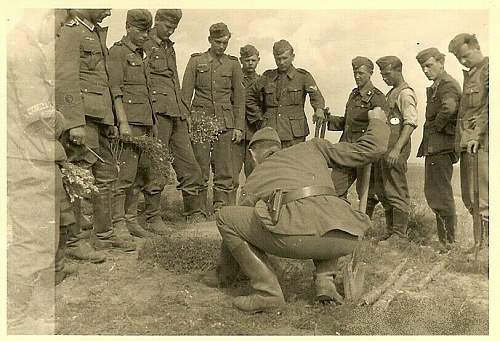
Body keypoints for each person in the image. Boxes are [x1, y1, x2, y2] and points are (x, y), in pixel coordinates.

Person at [213, 107, 390, 313]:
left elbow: (238, 231)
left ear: (253, 156)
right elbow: (371, 149)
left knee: (226, 217)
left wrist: (224, 274)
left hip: (300, 241)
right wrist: (377, 121)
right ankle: (325, 283)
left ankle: (267, 293)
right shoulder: (314, 147)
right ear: (279, 146)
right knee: (323, 208)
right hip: (346, 236)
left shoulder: (256, 175)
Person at [7, 9, 75, 334]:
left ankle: (21, 312)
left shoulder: (17, 43)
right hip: (28, 157)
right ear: (48, 15)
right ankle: (15, 318)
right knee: (32, 241)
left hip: (27, 155)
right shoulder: (24, 50)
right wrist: (62, 121)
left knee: (36, 238)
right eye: (60, 25)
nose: (58, 34)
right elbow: (39, 115)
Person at [55, 9, 135, 254]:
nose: (109, 10)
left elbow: (103, 80)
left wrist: (110, 119)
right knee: (80, 179)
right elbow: (65, 77)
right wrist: (74, 122)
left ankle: (104, 235)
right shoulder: (71, 31)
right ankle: (74, 242)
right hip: (83, 119)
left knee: (107, 175)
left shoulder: (95, 32)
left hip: (100, 119)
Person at [143, 9, 206, 224]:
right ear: (157, 21)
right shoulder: (144, 43)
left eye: (174, 28)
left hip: (176, 113)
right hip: (157, 114)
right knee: (157, 165)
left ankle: (193, 213)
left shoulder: (169, 47)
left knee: (190, 165)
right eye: (167, 27)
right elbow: (142, 81)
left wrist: (184, 111)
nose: (171, 31)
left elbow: (175, 81)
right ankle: (152, 217)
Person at [182, 22, 245, 212]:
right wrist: (187, 121)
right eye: (218, 42)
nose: (222, 46)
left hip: (225, 123)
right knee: (199, 167)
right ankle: (196, 210)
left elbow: (239, 99)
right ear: (210, 40)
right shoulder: (195, 61)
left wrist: (239, 127)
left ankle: (221, 209)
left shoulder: (233, 64)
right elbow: (185, 95)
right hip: (200, 122)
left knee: (224, 169)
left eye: (225, 43)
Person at [108, 9, 158, 238]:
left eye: (148, 31)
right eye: (141, 30)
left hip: (145, 123)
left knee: (139, 176)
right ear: (128, 27)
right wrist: (123, 123)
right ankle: (118, 223)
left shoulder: (141, 55)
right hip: (130, 123)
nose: (145, 35)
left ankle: (131, 220)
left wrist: (153, 124)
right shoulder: (118, 52)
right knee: (124, 176)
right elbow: (115, 91)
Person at [327, 56, 387, 217]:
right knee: (335, 187)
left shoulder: (377, 97)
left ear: (370, 73)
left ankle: (364, 225)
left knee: (365, 194)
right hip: (346, 150)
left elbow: (380, 126)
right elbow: (347, 122)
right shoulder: (353, 95)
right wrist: (329, 119)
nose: (357, 76)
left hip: (363, 152)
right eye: (355, 72)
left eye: (361, 73)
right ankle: (340, 221)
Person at [415, 48, 461, 250]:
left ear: (441, 63)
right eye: (423, 67)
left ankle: (449, 242)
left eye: (429, 65)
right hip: (435, 147)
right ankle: (445, 240)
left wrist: (436, 127)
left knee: (440, 193)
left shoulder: (447, 85)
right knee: (434, 192)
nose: (425, 70)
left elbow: (449, 108)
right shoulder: (437, 86)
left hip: (442, 147)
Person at [246, 39, 326, 148]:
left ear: (292, 57)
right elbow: (249, 96)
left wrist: (319, 109)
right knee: (272, 163)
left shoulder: (303, 76)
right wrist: (259, 120)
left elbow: (316, 96)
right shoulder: (267, 77)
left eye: (285, 58)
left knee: (294, 163)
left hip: (294, 135)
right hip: (270, 132)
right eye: (278, 59)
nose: (281, 62)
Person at [448, 33, 489, 246]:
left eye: (465, 56)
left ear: (477, 46)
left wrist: (476, 135)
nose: (463, 61)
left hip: (482, 144)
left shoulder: (490, 70)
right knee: (469, 197)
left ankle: (487, 249)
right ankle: (479, 244)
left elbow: (490, 107)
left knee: (483, 198)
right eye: (459, 59)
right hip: (468, 144)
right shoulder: (470, 75)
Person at [374, 56, 418, 240]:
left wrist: (397, 149)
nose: (384, 78)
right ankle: (391, 232)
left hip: (394, 151)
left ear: (398, 70)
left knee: (396, 190)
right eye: (382, 74)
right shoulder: (391, 93)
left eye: (387, 74)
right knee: (384, 191)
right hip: (385, 150)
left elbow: (410, 123)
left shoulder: (405, 93)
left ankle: (399, 235)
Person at [231, 44, 262, 201]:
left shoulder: (261, 81)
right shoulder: (234, 78)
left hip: (253, 133)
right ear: (241, 60)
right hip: (236, 131)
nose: (250, 63)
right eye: (247, 60)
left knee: (253, 172)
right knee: (232, 171)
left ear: (258, 60)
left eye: (253, 60)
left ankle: (250, 203)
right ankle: (228, 205)